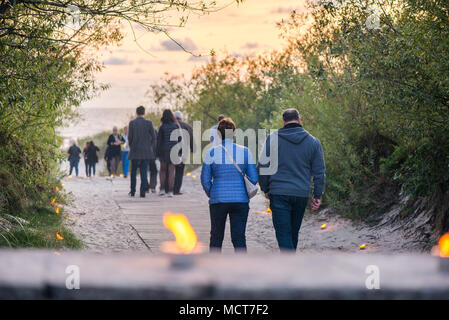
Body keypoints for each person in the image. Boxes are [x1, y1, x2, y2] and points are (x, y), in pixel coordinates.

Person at [258, 108, 326, 252]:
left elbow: (263, 165)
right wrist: (317, 195)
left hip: (279, 192)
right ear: (299, 119)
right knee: (293, 233)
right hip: (301, 193)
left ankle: (289, 267)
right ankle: (291, 266)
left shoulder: (273, 138)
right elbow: (319, 172)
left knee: (283, 233)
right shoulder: (313, 142)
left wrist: (266, 188)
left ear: (283, 121)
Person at [201, 118, 258, 253]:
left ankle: (214, 269)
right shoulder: (245, 152)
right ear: (234, 133)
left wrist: (213, 192)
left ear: (219, 134)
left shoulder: (211, 153)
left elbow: (205, 179)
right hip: (240, 201)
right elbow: (254, 178)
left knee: (216, 237)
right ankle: (241, 270)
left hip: (218, 200)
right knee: (239, 238)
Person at [128, 106, 157, 198]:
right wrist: (150, 146)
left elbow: (130, 137)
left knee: (133, 172)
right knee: (143, 172)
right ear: (144, 113)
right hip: (146, 151)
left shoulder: (132, 123)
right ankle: (142, 192)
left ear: (136, 113)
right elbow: (154, 137)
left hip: (135, 151)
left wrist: (132, 146)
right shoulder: (149, 123)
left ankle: (132, 191)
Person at [156, 109, 179, 197]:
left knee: (162, 171)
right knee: (171, 171)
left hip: (163, 150)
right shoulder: (176, 126)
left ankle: (162, 189)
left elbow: (159, 141)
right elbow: (179, 139)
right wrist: (179, 152)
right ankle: (170, 191)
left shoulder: (162, 127)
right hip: (173, 150)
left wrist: (157, 153)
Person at [173, 111, 194, 195]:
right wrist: (192, 149)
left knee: (171, 170)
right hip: (184, 151)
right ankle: (176, 190)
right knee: (180, 171)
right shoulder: (187, 126)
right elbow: (191, 138)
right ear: (181, 117)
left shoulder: (171, 126)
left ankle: (169, 188)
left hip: (172, 150)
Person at [147, 127, 158, 193]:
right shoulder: (155, 132)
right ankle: (153, 186)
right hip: (152, 155)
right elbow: (156, 144)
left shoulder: (143, 132)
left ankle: (145, 187)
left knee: (144, 171)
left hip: (144, 154)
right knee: (153, 171)